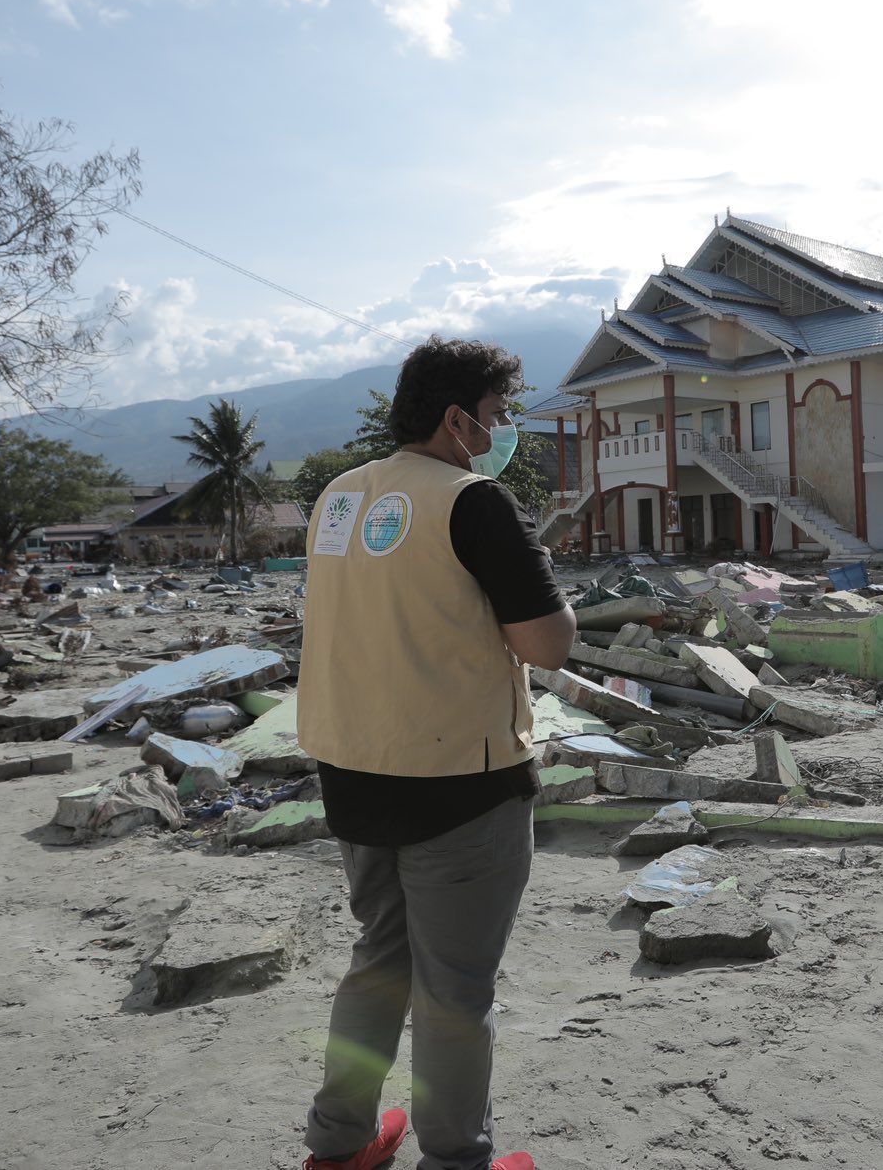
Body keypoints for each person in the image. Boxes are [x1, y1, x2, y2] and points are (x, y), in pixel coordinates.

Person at [298, 337, 575, 1170]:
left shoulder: (338, 498)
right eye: (493, 416)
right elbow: (547, 644)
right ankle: (457, 1159)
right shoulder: (474, 500)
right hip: (460, 782)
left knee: (379, 963)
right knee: (455, 990)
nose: (498, 433)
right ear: (457, 419)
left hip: (351, 771)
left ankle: (339, 1142)